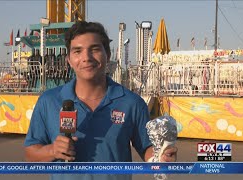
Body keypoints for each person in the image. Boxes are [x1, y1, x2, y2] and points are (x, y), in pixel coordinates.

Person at [24, 21, 178, 179]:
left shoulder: (131, 102)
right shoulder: (48, 101)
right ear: (69, 60)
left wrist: (161, 157)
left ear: (108, 55)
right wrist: (52, 150)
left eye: (95, 49)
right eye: (77, 51)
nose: (86, 58)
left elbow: (147, 148)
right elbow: (30, 154)